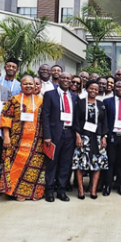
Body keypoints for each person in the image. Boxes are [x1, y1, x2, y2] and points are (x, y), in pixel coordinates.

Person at [0, 76, 47, 201]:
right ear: (21, 86)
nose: (28, 86)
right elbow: (6, 117)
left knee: (33, 168)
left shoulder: (41, 101)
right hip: (17, 141)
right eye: (25, 84)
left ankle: (30, 193)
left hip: (36, 141)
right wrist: (6, 136)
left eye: (31, 84)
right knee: (15, 166)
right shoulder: (14, 100)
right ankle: (13, 192)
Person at [42, 72, 79, 202]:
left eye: (68, 79)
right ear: (58, 79)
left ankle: (61, 190)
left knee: (65, 163)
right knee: (52, 163)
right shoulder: (49, 95)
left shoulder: (74, 97)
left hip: (69, 134)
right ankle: (49, 191)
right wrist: (47, 135)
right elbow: (45, 116)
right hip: (54, 134)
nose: (66, 80)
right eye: (63, 78)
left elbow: (77, 118)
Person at [73, 80, 108, 200]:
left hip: (97, 137)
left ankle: (93, 189)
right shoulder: (80, 103)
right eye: (91, 88)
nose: (94, 91)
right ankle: (81, 190)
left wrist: (104, 136)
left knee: (97, 164)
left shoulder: (101, 104)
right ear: (87, 89)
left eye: (96, 89)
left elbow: (104, 122)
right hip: (84, 137)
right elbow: (76, 120)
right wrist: (77, 136)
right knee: (80, 164)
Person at [103, 80, 121, 196]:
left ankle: (120, 185)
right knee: (110, 162)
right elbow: (104, 120)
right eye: (118, 86)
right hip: (111, 136)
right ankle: (108, 186)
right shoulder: (107, 102)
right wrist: (104, 136)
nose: (120, 88)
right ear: (114, 88)